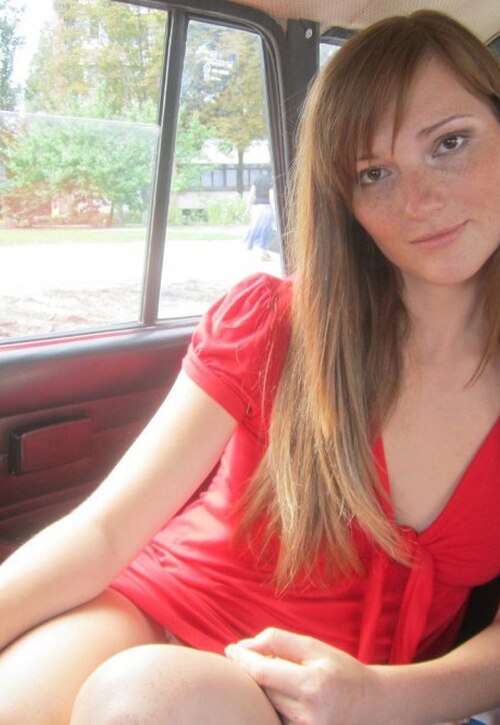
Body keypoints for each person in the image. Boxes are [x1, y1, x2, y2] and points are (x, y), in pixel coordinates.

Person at [0, 9, 499, 725]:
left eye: (450, 142)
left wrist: (380, 699)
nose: (420, 202)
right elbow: (105, 531)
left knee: (145, 700)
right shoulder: (272, 323)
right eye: (374, 173)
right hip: (156, 607)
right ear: (346, 202)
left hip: (336, 693)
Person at [243, 170, 275, 259]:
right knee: (266, 229)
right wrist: (274, 209)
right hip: (266, 207)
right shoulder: (271, 180)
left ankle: (251, 245)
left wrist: (248, 207)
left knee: (255, 226)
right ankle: (263, 251)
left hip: (256, 206)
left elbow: (251, 195)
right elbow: (271, 197)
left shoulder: (257, 179)